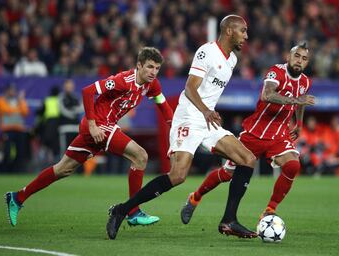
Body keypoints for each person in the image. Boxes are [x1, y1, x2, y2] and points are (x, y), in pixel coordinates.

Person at [106, 15, 258, 240]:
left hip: (208, 120)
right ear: (228, 31)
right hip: (189, 116)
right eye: (242, 31)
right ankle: (121, 210)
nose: (246, 36)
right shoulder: (207, 52)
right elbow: (189, 88)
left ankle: (229, 220)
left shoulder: (232, 60)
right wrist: (205, 110)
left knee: (248, 159)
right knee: (178, 176)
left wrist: (208, 112)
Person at [5, 47, 173, 228]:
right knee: (140, 156)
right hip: (97, 125)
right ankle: (132, 212)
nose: (153, 72)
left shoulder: (151, 84)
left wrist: (173, 129)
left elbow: (163, 106)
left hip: (103, 127)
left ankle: (18, 197)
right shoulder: (123, 80)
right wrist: (93, 125)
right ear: (139, 65)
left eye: (157, 68)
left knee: (63, 169)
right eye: (149, 67)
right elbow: (88, 91)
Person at [180, 42, 315, 226]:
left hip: (279, 135)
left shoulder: (306, 81)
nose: (299, 61)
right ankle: (195, 197)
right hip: (254, 132)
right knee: (227, 173)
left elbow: (300, 103)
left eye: (304, 58)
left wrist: (298, 124)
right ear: (288, 57)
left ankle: (269, 210)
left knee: (292, 166)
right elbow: (267, 95)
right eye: (297, 56)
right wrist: (295, 99)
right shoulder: (276, 72)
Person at [0, 83, 29, 172]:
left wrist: (21, 100)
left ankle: (16, 170)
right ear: (6, 91)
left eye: (13, 90)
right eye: (11, 90)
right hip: (7, 129)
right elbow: (6, 110)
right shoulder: (1, 100)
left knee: (20, 151)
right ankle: (4, 170)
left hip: (19, 129)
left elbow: (25, 112)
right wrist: (18, 107)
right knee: (7, 151)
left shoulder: (19, 100)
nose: (12, 92)